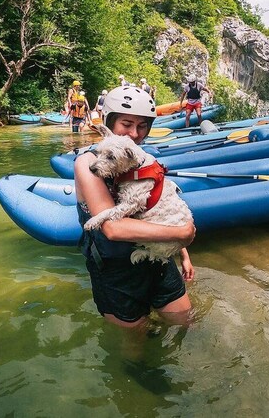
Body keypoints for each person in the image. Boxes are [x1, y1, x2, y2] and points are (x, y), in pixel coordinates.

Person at [74, 86, 196, 329]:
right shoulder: (87, 164)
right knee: (136, 347)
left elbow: (162, 206)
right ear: (110, 122)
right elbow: (112, 229)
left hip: (156, 261)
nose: (134, 134)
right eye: (126, 124)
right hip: (116, 270)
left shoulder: (135, 158)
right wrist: (183, 234)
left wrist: (183, 254)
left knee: (186, 322)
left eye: (142, 127)